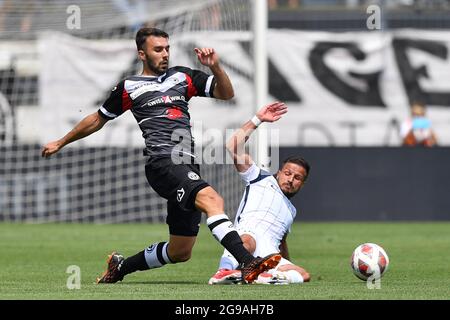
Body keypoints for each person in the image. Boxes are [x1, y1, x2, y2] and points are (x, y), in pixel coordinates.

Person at [41, 27, 281, 284]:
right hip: (163, 162)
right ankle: (247, 262)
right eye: (158, 49)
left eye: (167, 48)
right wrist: (62, 141)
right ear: (142, 54)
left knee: (180, 251)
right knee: (212, 199)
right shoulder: (130, 87)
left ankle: (120, 267)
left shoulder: (183, 76)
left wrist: (216, 67)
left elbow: (226, 93)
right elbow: (97, 119)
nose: (165, 54)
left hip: (186, 163)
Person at [208, 102, 311, 285]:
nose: (290, 179)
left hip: (268, 252)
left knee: (303, 275)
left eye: (297, 178)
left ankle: (265, 276)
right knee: (246, 241)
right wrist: (258, 119)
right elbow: (232, 146)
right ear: (279, 172)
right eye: (287, 173)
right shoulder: (259, 177)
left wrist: (286, 263)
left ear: (302, 184)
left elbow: (282, 242)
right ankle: (224, 271)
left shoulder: (291, 211)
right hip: (248, 236)